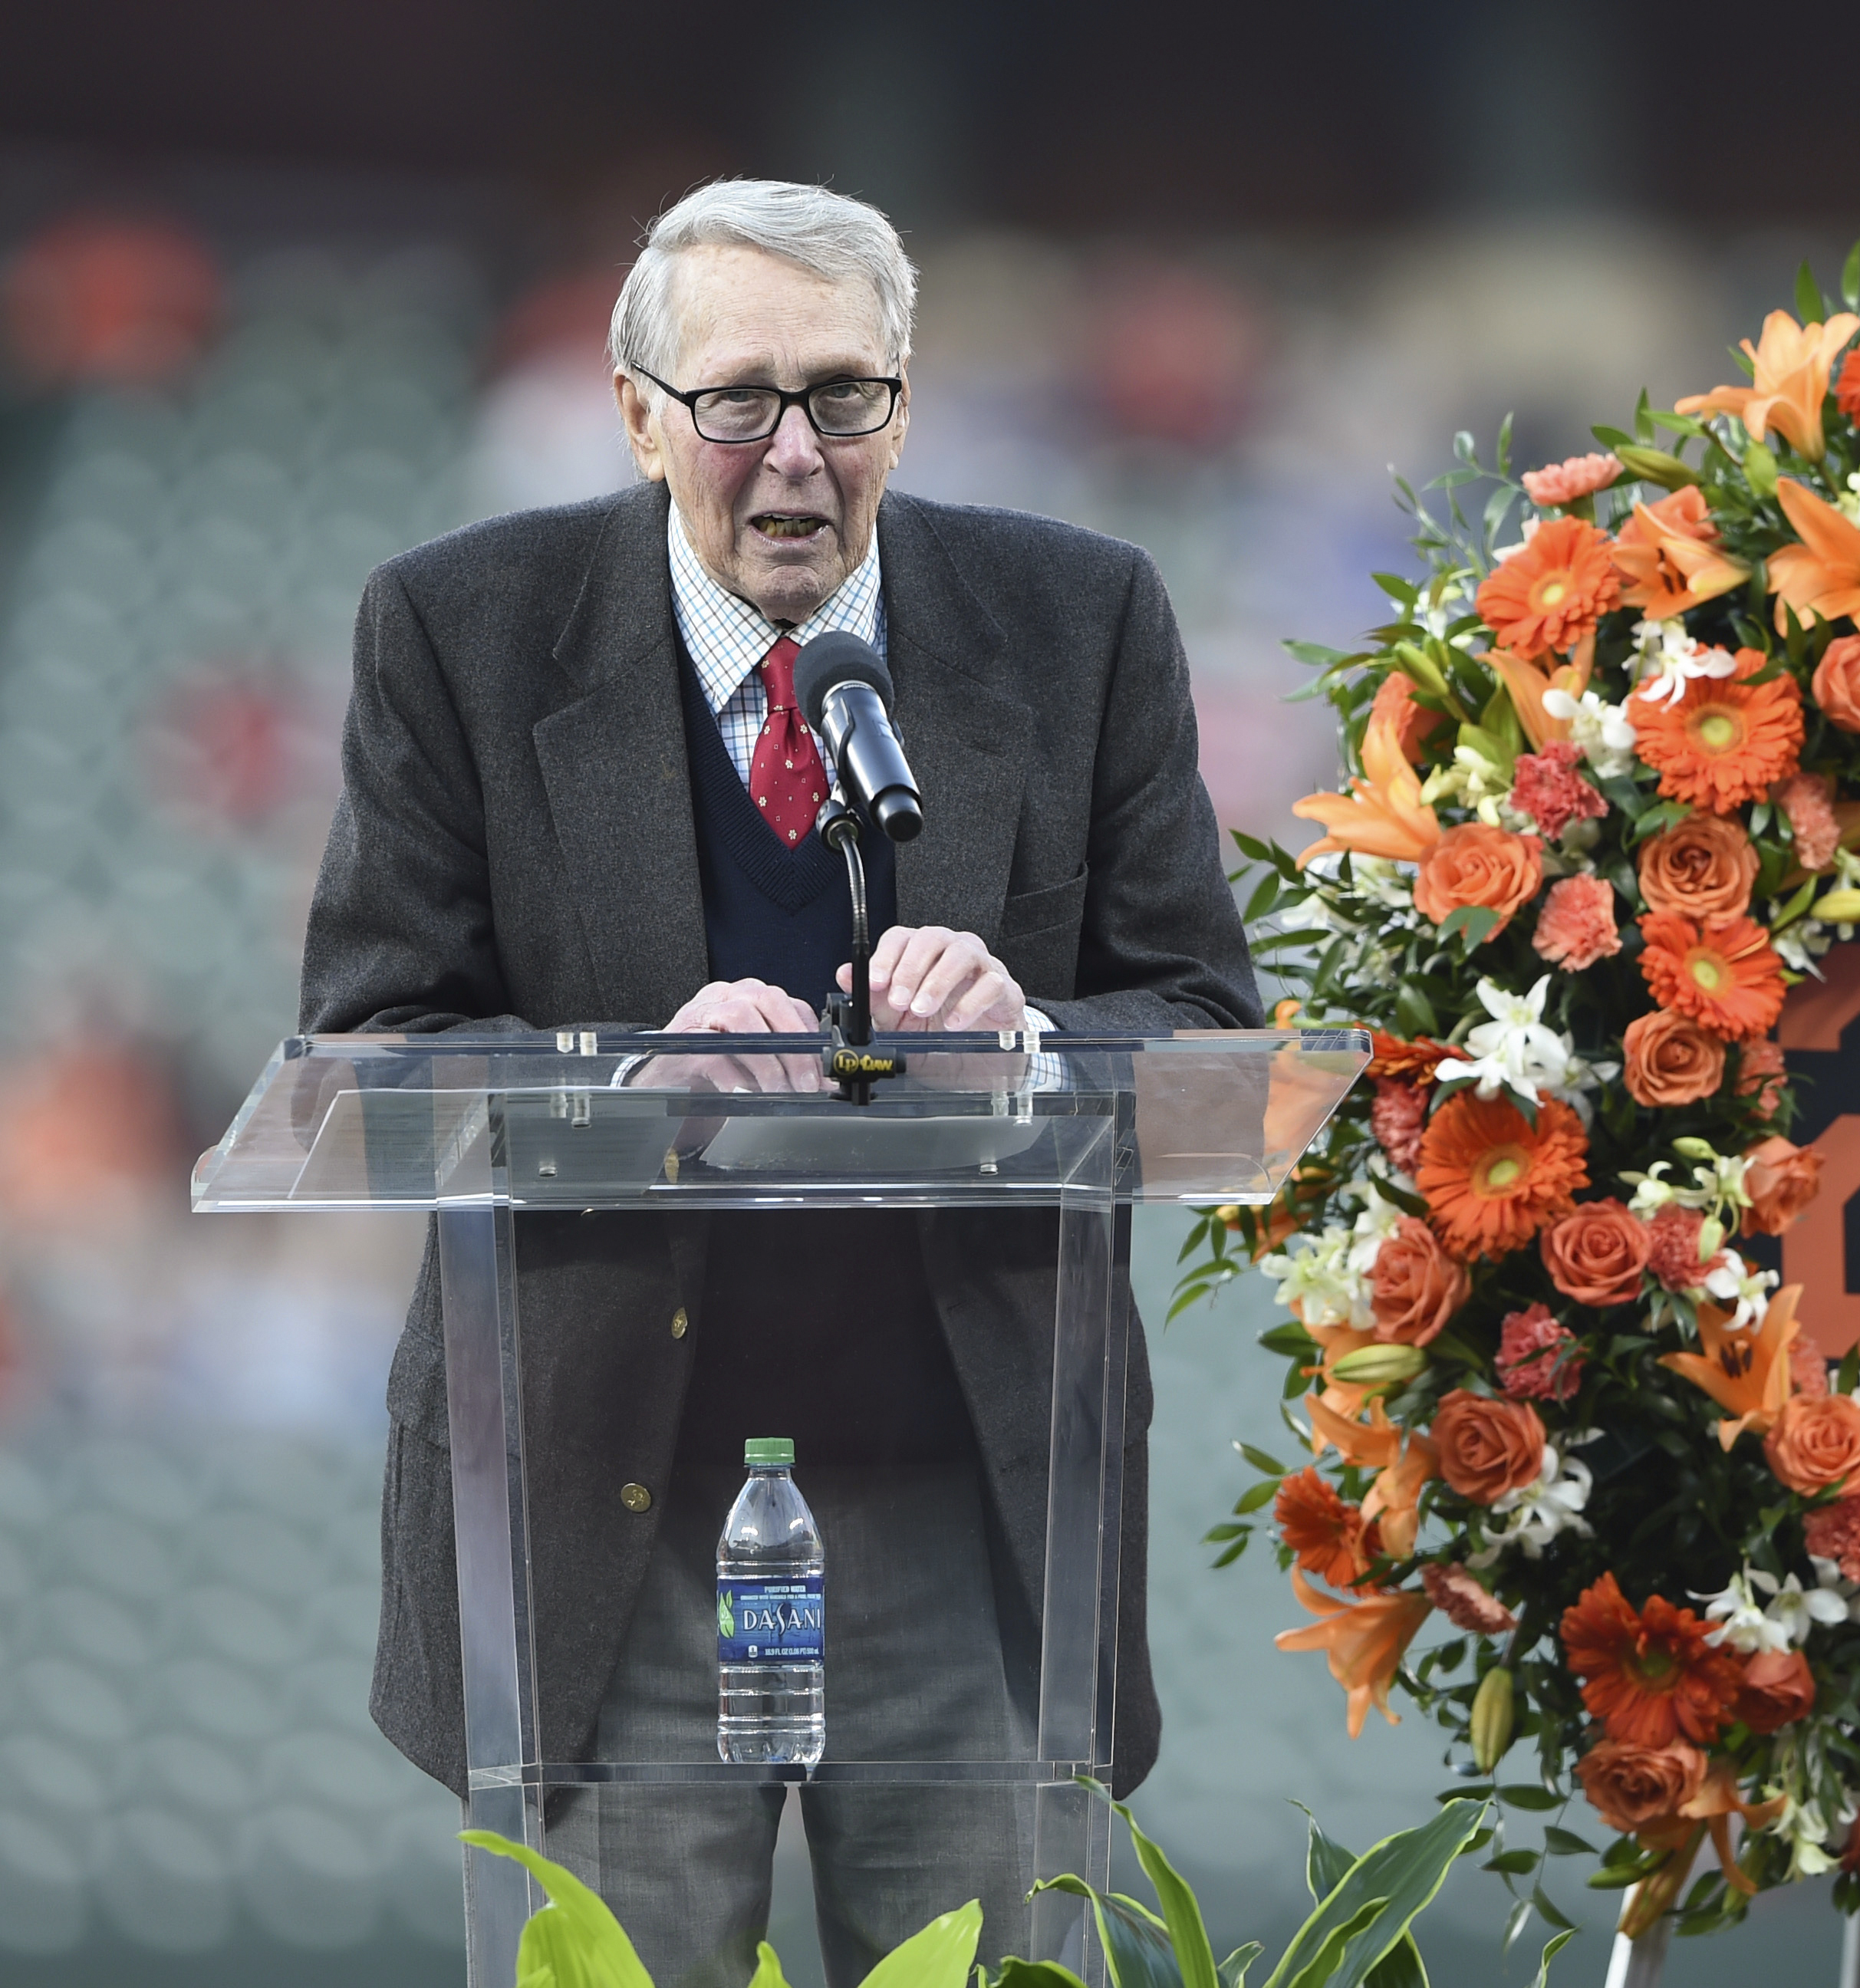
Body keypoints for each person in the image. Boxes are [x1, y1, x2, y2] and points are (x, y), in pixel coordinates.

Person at [298, 179, 1256, 1988]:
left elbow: (1207, 1022)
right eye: (739, 398)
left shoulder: (1083, 620)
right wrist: (626, 1078)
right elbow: (373, 1052)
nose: (795, 456)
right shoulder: (458, 631)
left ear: (910, 393)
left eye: (845, 396)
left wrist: (1035, 1043)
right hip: (603, 1511)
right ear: (635, 405)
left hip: (978, 1517)